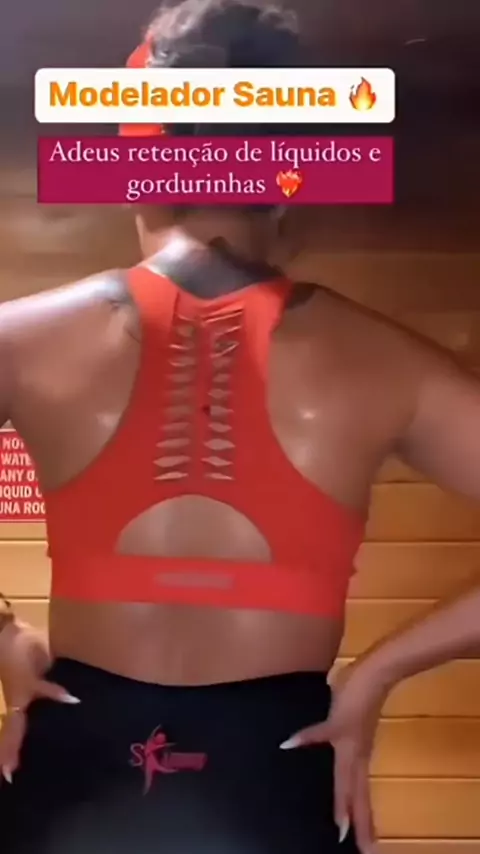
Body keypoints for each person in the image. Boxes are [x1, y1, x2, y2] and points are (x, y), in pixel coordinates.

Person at [1, 1, 480, 851]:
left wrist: (4, 638)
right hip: (276, 772)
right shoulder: (387, 361)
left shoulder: (23, 340)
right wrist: (377, 674)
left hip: (77, 764)